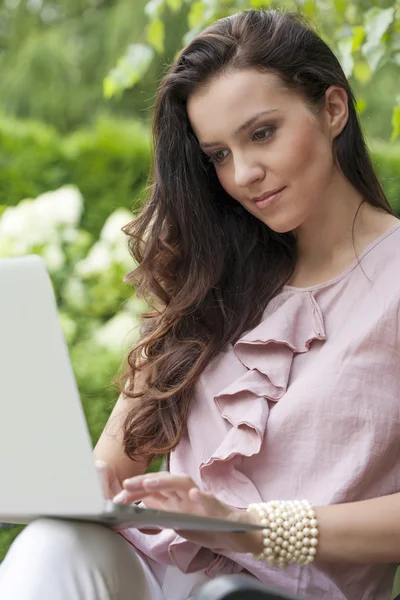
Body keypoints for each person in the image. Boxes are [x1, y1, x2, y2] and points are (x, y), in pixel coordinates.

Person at [1, 7, 400, 600]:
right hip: (150, 575)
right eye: (218, 155)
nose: (244, 175)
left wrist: (251, 530)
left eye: (262, 133)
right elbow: (113, 461)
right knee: (54, 543)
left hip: (281, 592)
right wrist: (82, 485)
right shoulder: (211, 275)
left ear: (333, 109)